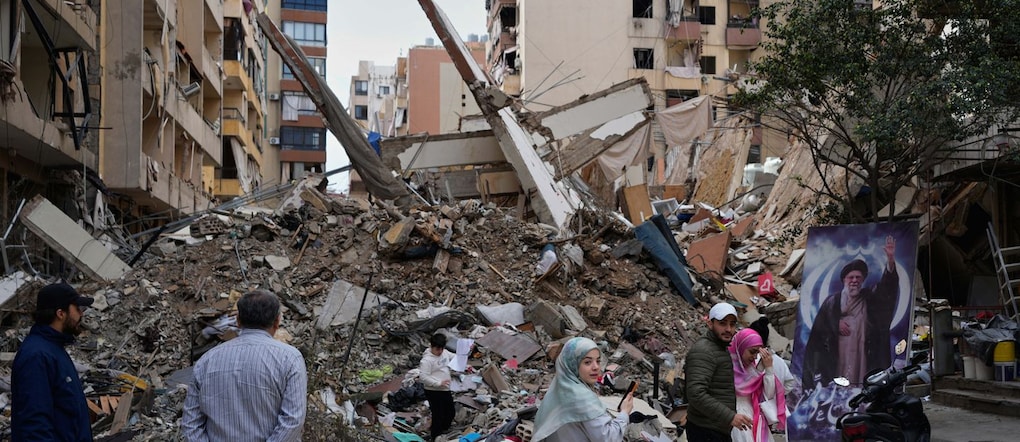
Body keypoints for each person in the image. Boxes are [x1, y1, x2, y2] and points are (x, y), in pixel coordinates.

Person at [182, 290, 306, 441]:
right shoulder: (290, 358)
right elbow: (293, 420)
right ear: (277, 321)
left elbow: (190, 424)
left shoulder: (207, 360)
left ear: (238, 320)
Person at [801, 237, 899, 388]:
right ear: (844, 280)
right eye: (850, 277)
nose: (854, 280)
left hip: (862, 355)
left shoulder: (869, 298)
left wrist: (890, 260)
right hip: (837, 356)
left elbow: (886, 290)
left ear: (863, 280)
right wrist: (835, 323)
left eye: (858, 277)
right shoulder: (831, 303)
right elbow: (818, 333)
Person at [12, 282, 95, 441]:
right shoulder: (36, 356)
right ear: (61, 313)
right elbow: (35, 427)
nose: (81, 314)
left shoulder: (53, 349)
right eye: (77, 308)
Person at [532, 337, 633, 441]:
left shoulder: (559, 388)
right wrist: (624, 413)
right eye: (587, 362)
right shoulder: (583, 398)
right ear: (573, 364)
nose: (596, 367)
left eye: (598, 361)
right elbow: (608, 438)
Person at [684, 302, 753, 441]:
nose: (728, 329)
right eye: (722, 323)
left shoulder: (719, 347)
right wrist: (730, 417)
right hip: (705, 430)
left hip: (714, 428)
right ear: (710, 324)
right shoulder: (704, 350)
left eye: (732, 324)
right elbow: (695, 393)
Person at [729, 328, 786, 442]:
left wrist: (768, 369)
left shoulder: (752, 368)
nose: (755, 357)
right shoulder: (727, 367)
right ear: (741, 347)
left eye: (757, 352)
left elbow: (767, 395)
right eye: (752, 351)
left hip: (754, 416)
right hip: (737, 418)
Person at [419, 333, 456, 442]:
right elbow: (423, 377)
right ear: (432, 346)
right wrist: (438, 383)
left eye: (441, 349)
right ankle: (435, 436)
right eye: (437, 349)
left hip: (445, 388)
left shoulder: (444, 353)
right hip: (433, 390)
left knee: (450, 411)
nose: (439, 352)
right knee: (438, 414)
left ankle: (444, 429)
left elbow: (454, 357)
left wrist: (465, 352)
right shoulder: (426, 360)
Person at [748, 316, 797, 393]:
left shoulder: (751, 359)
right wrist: (778, 396)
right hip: (776, 404)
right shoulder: (779, 361)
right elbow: (790, 383)